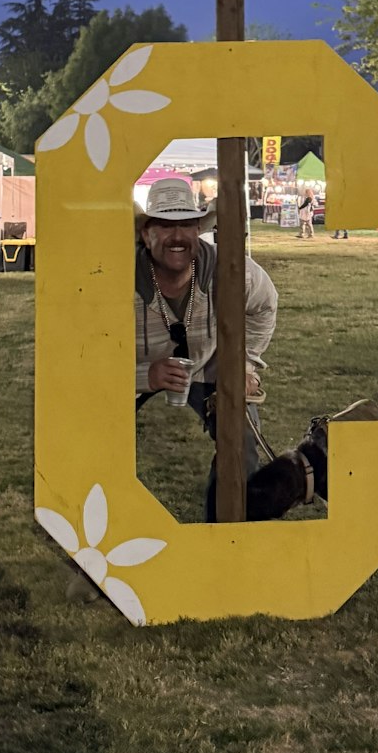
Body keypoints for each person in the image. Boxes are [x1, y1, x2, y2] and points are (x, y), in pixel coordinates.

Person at [135, 176, 278, 522]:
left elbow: (265, 305)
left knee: (241, 446)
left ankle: (223, 534)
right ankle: (104, 537)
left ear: (199, 229)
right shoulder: (112, 279)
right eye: (166, 226)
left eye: (187, 225)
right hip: (136, 365)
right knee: (93, 435)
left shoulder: (231, 270)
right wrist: (144, 375)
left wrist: (243, 364)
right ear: (145, 233)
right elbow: (89, 350)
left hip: (213, 363)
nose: (178, 237)